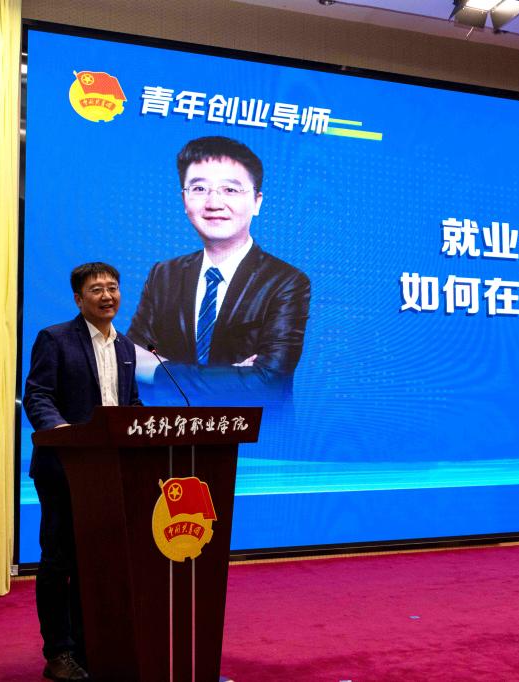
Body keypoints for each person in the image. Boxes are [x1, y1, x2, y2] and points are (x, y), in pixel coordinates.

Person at [127, 136, 310, 406]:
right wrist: (230, 376)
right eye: (199, 188)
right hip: (170, 428)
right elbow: (128, 359)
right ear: (184, 199)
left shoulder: (287, 282)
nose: (214, 203)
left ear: (257, 202)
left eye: (230, 190)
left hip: (252, 430)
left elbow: (267, 381)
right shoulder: (164, 274)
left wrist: (158, 371)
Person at [23, 262, 141, 681]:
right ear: (78, 299)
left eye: (113, 288)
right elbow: (37, 396)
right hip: (64, 469)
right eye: (96, 290)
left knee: (98, 561)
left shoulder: (126, 347)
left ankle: (89, 645)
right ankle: (58, 652)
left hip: (110, 475)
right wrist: (63, 432)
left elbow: (129, 406)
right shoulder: (55, 339)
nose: (107, 296)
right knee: (60, 561)